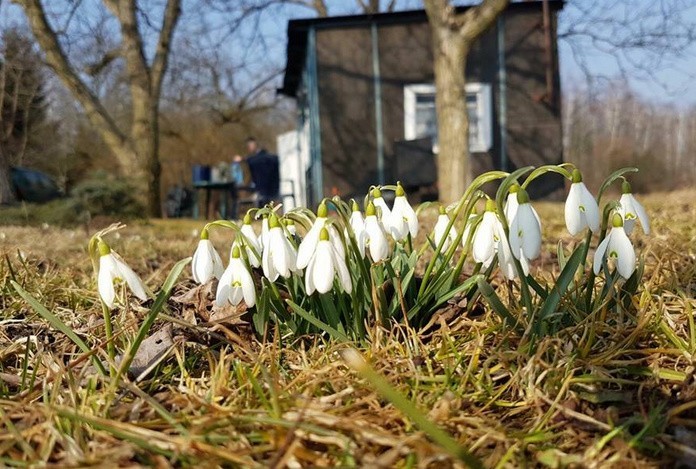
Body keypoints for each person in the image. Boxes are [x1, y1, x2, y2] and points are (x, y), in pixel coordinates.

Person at [244, 137, 279, 207]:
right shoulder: (257, 159)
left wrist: (243, 159)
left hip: (266, 189)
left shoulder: (261, 158)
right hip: (263, 189)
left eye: (250, 145)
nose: (249, 148)